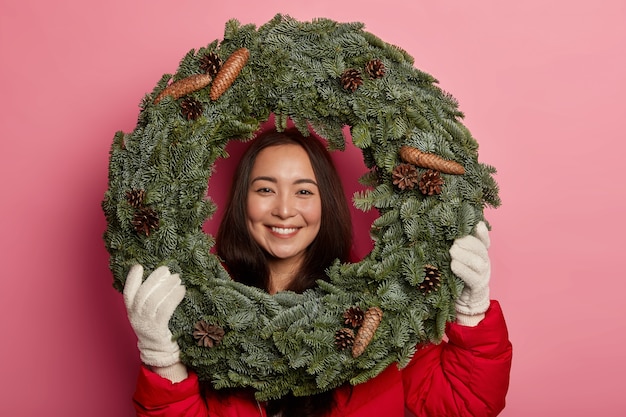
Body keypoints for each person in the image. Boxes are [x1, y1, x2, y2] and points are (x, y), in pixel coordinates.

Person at [123, 129, 513, 417]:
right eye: (265, 190)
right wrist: (163, 362)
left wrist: (471, 312)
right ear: (243, 201)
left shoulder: (378, 306)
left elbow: (467, 404)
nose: (285, 209)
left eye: (304, 191)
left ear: (326, 203)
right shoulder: (201, 310)